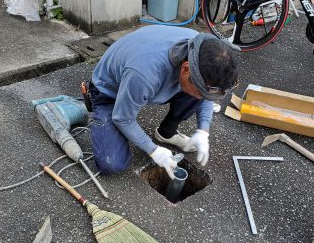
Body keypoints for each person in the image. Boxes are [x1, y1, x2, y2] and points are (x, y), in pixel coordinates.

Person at [87, 25, 238, 179]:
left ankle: (167, 132)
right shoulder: (145, 74)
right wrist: (153, 150)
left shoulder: (200, 51)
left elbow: (206, 93)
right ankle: (93, 107)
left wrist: (203, 130)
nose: (202, 98)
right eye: (202, 92)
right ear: (186, 69)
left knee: (196, 91)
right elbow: (123, 118)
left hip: (144, 79)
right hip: (109, 92)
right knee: (111, 163)